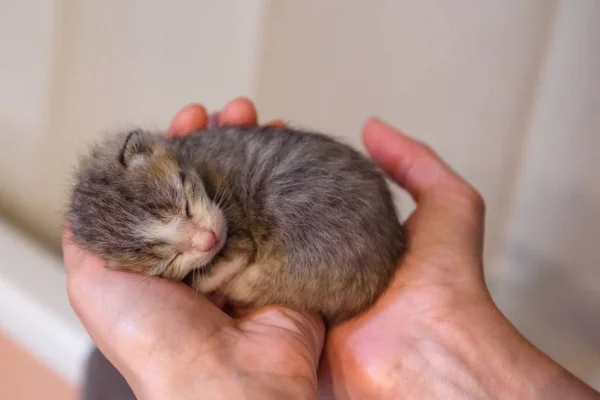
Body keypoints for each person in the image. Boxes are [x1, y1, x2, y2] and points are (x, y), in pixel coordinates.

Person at [63, 98, 600, 400]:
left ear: (145, 152)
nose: (203, 239)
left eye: (184, 207)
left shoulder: (195, 174)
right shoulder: (172, 185)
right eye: (168, 257)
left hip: (326, 240)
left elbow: (236, 250)